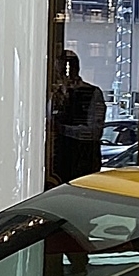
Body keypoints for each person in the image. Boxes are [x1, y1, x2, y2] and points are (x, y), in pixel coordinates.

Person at [49, 50, 107, 183]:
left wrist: (61, 129)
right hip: (56, 163)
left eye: (66, 67)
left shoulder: (91, 92)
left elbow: (94, 131)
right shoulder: (53, 94)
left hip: (82, 161)